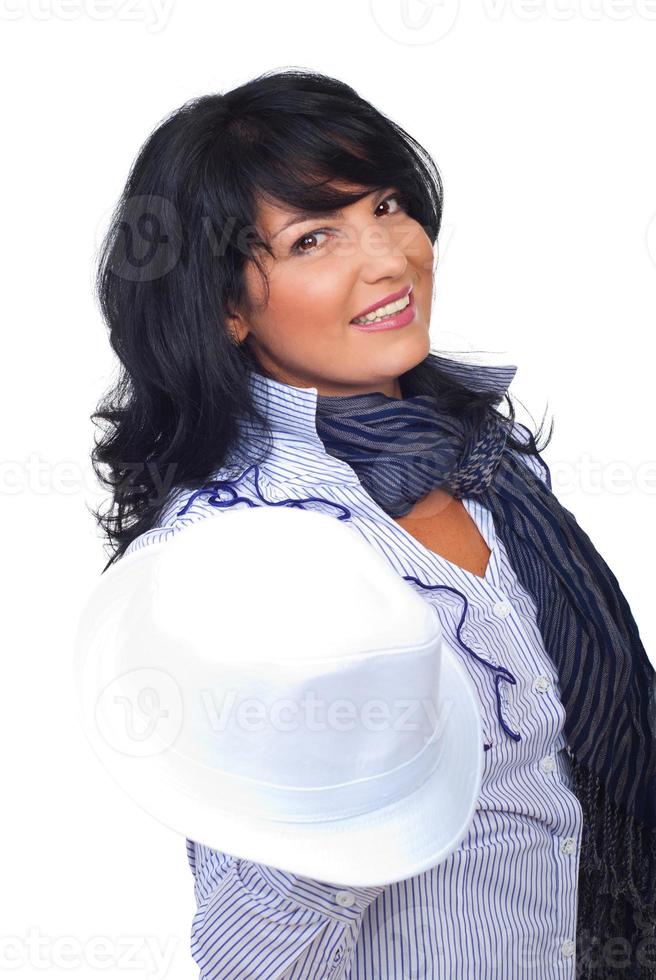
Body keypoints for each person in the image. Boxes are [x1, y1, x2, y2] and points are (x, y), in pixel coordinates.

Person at [91, 68, 656, 979]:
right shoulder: (241, 559)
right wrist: (339, 798)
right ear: (228, 306)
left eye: (388, 205)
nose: (389, 258)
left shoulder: (478, 465)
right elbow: (254, 962)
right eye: (314, 237)